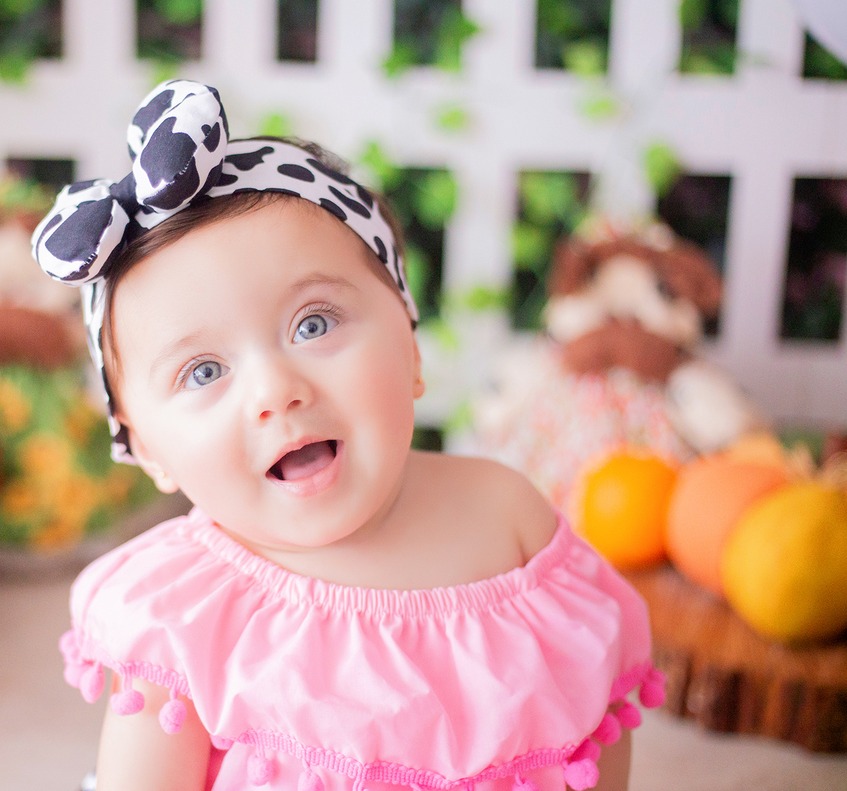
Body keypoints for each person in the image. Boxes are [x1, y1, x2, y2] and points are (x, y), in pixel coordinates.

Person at [35, 81, 661, 791]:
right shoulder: (186, 615)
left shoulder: (510, 519)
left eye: (314, 324)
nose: (277, 390)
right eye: (204, 370)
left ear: (411, 345)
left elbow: (592, 725)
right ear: (146, 448)